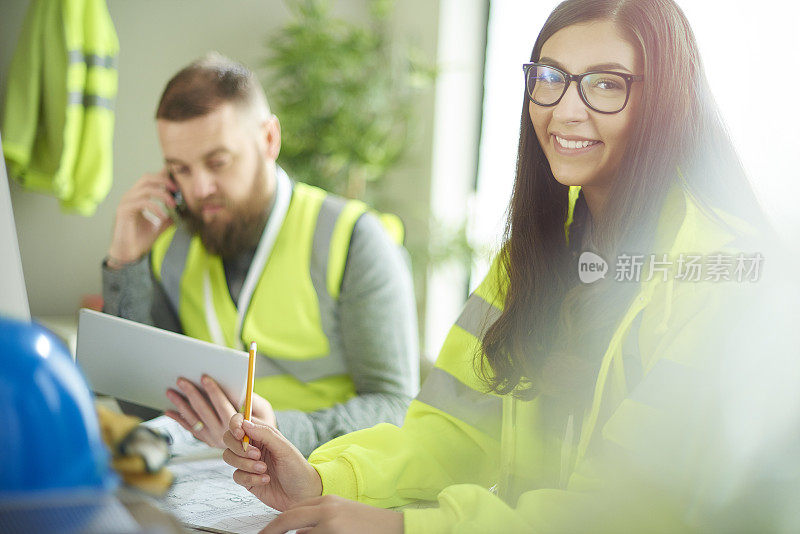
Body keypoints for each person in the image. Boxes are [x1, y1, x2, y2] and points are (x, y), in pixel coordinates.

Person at [220, 0, 778, 531]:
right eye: (551, 77)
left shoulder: (721, 274)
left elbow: (629, 511)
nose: (565, 109)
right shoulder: (534, 256)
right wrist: (321, 479)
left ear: (666, 102)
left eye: (606, 84)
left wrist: (402, 527)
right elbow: (453, 429)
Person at [102, 53, 419, 456]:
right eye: (179, 169)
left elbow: (396, 408)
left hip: (326, 477)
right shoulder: (168, 249)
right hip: (211, 482)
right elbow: (145, 405)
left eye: (217, 162)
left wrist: (280, 431)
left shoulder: (355, 239)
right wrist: (124, 263)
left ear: (269, 139)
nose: (199, 189)